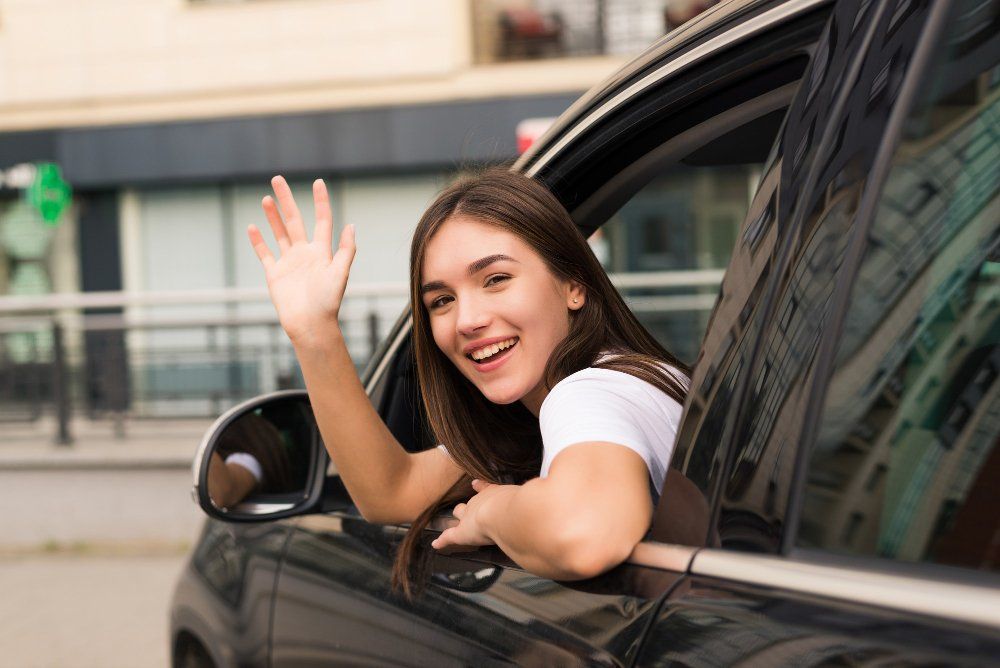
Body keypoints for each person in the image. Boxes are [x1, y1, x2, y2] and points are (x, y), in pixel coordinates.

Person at [247, 168, 690, 594]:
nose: (468, 320)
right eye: (442, 301)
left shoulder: (590, 392)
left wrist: (492, 511)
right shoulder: (566, 407)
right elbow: (392, 492)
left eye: (496, 279)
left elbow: (582, 534)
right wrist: (313, 331)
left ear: (573, 283)